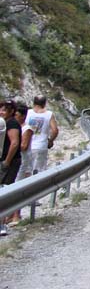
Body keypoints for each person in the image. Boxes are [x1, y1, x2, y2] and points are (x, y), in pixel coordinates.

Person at [21, 96, 57, 179]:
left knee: (26, 171)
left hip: (27, 146)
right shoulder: (49, 114)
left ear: (33, 102)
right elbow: (55, 130)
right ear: (44, 103)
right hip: (41, 146)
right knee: (39, 172)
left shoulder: (27, 113)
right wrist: (50, 141)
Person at [1, 100, 22, 236]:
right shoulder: (6, 123)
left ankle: (4, 221)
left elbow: (14, 143)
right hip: (8, 160)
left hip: (10, 162)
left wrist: (7, 162)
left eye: (4, 110)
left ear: (11, 111)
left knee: (5, 189)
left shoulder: (12, 123)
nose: (1, 112)